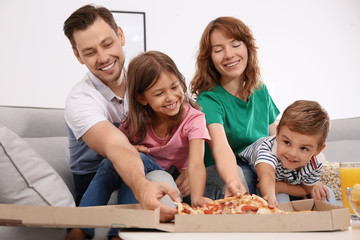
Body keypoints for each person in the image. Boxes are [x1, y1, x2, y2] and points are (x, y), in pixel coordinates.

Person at [63, 4, 180, 240]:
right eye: (90, 52)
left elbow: (181, 123)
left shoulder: (146, 80)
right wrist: (141, 185)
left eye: (107, 44)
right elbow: (116, 148)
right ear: (78, 56)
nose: (103, 58)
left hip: (148, 165)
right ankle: (103, 231)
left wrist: (187, 168)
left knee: (155, 172)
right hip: (95, 181)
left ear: (121, 35)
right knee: (133, 164)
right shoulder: (80, 100)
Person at [190, 16, 279, 199]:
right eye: (218, 49)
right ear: (210, 58)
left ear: (247, 47)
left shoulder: (260, 90)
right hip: (222, 175)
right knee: (243, 173)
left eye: (235, 44)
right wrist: (232, 180)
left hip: (258, 167)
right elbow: (221, 148)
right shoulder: (209, 100)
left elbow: (275, 140)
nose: (229, 54)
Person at [120, 50, 212, 207]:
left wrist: (197, 197)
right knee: (124, 159)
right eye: (159, 93)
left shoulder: (194, 119)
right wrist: (129, 150)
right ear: (142, 98)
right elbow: (116, 151)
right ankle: (86, 225)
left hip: (183, 188)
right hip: (150, 182)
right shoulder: (135, 123)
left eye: (175, 87)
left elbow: (196, 163)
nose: (170, 97)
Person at [238, 100, 336, 207]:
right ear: (278, 134)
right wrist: (270, 196)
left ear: (318, 150)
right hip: (250, 167)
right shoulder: (268, 150)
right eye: (287, 142)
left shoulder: (316, 162)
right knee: (275, 196)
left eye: (303, 148)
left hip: (281, 177)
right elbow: (267, 174)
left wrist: (281, 187)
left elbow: (305, 189)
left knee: (326, 194)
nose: (292, 153)